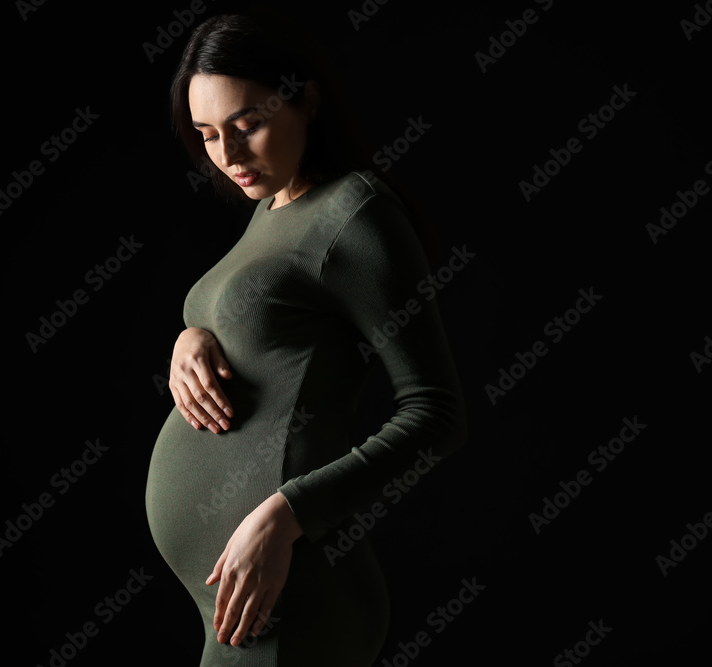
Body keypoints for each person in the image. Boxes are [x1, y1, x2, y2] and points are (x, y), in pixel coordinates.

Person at [145, 12, 467, 666]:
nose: (227, 156)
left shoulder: (356, 213)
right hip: (240, 602)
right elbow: (265, 332)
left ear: (307, 99)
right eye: (207, 135)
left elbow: (435, 411)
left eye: (247, 126)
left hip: (290, 588)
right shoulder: (271, 209)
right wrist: (190, 340)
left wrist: (289, 512)